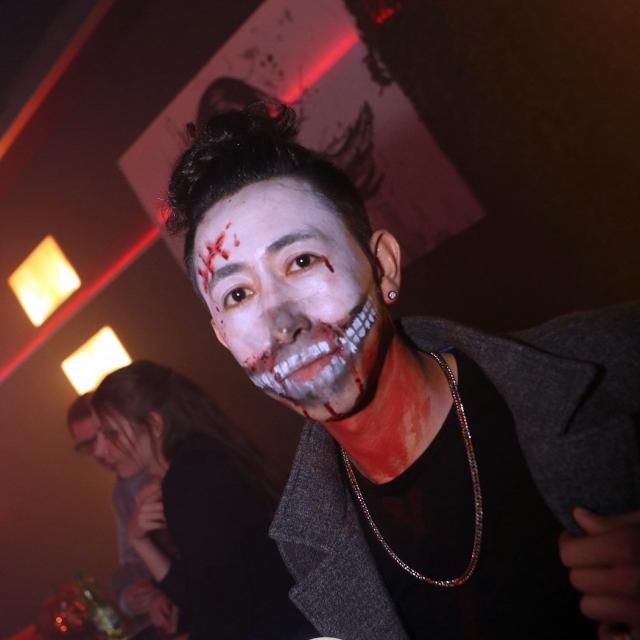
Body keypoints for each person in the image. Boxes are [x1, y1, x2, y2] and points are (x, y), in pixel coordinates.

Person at [163, 103, 640, 640]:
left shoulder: (611, 361)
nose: (283, 323)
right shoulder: (310, 541)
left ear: (384, 265)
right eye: (238, 294)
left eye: (300, 261)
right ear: (224, 337)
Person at [91, 360, 317, 640]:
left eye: (112, 433)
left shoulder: (189, 478)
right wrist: (139, 540)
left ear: (154, 424)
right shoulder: (198, 460)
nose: (99, 450)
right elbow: (209, 591)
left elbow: (223, 612)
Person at [66, 394, 176, 636]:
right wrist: (130, 597)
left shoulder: (167, 466)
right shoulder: (121, 492)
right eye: (88, 445)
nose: (98, 451)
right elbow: (130, 561)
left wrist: (166, 592)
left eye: (105, 434)